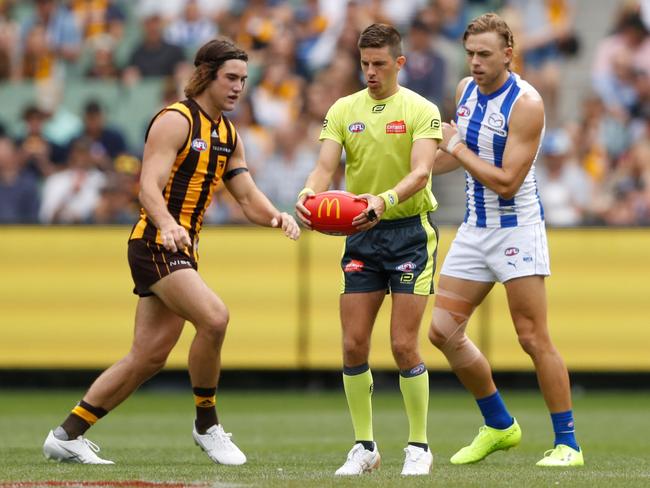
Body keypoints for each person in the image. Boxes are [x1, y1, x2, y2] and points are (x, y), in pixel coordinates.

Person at [43, 37, 300, 465]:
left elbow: (248, 196)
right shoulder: (175, 120)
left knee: (147, 357)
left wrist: (278, 217)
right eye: (231, 78)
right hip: (154, 242)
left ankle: (68, 433)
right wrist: (166, 223)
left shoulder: (229, 133)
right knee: (215, 317)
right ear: (206, 76)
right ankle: (207, 424)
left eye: (244, 80)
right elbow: (147, 186)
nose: (239, 87)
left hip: (180, 248)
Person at [427, 12, 583, 467]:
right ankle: (499, 424)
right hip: (476, 228)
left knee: (533, 338)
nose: (474, 62)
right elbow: (458, 158)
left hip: (517, 228)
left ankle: (568, 445)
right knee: (441, 331)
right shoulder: (464, 91)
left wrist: (455, 147)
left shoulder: (526, 103)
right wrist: (412, 173)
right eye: (470, 53)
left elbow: (507, 182)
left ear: (508, 55)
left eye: (484, 55)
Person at [295, 23, 442, 476]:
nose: (371, 72)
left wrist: (385, 200)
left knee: (403, 344)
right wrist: (307, 194)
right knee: (353, 344)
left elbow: (421, 172)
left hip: (409, 232)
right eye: (365, 64)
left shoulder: (421, 109)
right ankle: (365, 447)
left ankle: (418, 445)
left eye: (380, 64)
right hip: (361, 233)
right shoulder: (343, 109)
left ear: (400, 63)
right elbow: (325, 166)